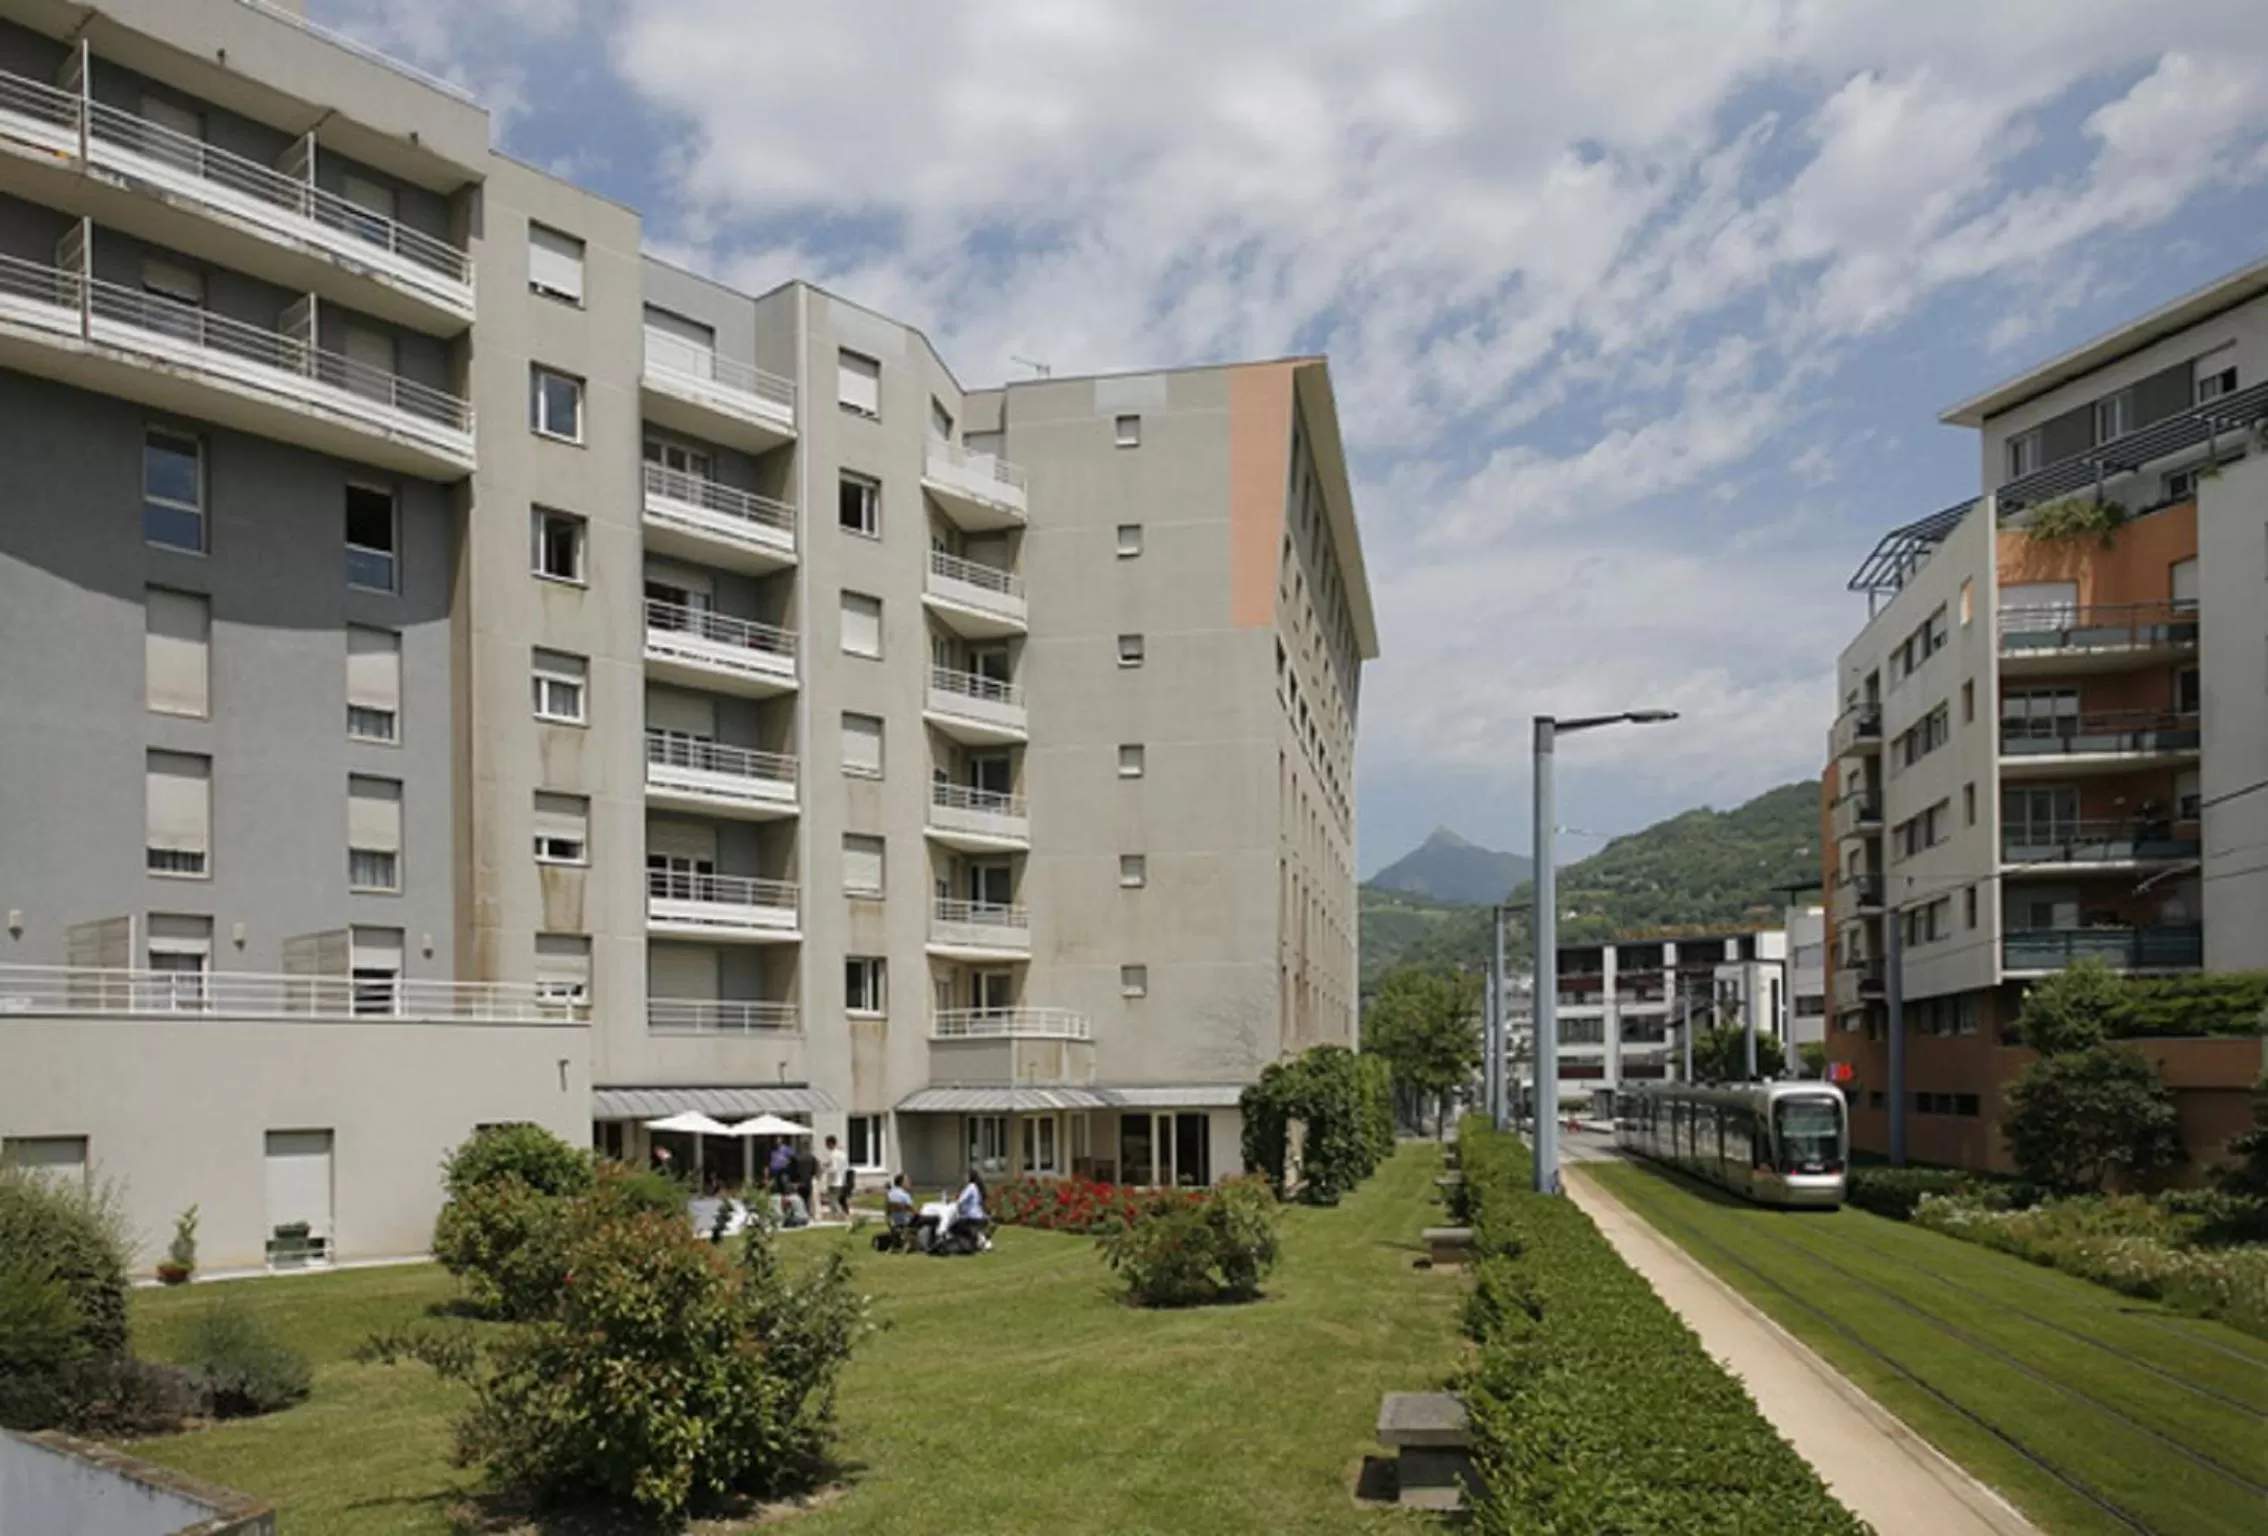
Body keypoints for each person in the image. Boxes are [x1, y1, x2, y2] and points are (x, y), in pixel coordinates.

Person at [822, 1134, 853, 1221]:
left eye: (826, 1143)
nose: (826, 1146)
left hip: (834, 1181)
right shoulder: (842, 1154)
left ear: (831, 1143)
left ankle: (838, 1216)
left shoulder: (833, 1155)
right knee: (840, 1199)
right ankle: (844, 1214)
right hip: (842, 1180)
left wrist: (825, 1170)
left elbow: (834, 1169)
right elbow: (846, 1167)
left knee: (833, 1200)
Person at [790, 1139, 820, 1218]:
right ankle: (806, 1214)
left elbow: (792, 1170)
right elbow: (815, 1171)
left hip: (798, 1181)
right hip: (808, 1181)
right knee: (807, 1199)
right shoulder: (812, 1158)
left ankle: (801, 1214)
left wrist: (792, 1181)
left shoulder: (795, 1157)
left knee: (799, 1199)